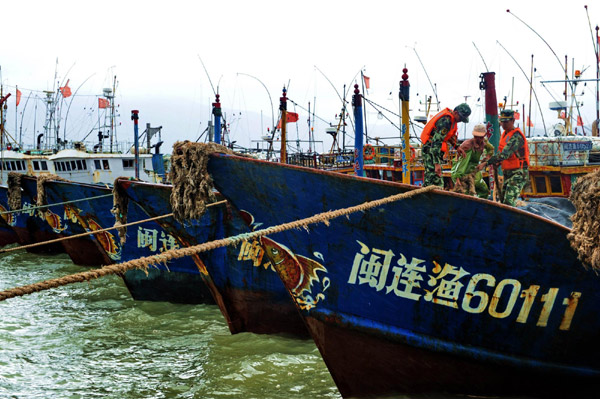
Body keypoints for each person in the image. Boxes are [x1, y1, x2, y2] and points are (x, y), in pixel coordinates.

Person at [477, 109, 529, 206]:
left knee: (509, 201)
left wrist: (486, 163)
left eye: (506, 121)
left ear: (513, 121)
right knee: (503, 201)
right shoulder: (505, 134)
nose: (503, 124)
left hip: (518, 173)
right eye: (502, 121)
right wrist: (496, 162)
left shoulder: (516, 136)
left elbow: (505, 154)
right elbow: (503, 155)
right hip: (508, 173)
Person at [421, 103, 471, 187]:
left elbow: (448, 136)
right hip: (430, 149)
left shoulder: (452, 120)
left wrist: (457, 147)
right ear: (455, 112)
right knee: (433, 178)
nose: (460, 120)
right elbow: (436, 141)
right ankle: (427, 197)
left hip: (434, 150)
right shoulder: (446, 121)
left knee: (436, 178)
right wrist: (436, 163)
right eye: (460, 118)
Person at [451, 123, 494, 198]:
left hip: (475, 171)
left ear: (484, 136)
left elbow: (491, 149)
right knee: (466, 193)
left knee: (484, 190)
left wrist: (485, 161)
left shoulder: (484, 143)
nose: (478, 139)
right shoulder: (467, 145)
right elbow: (460, 162)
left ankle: (480, 207)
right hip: (463, 172)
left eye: (480, 137)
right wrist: (457, 177)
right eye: (476, 137)